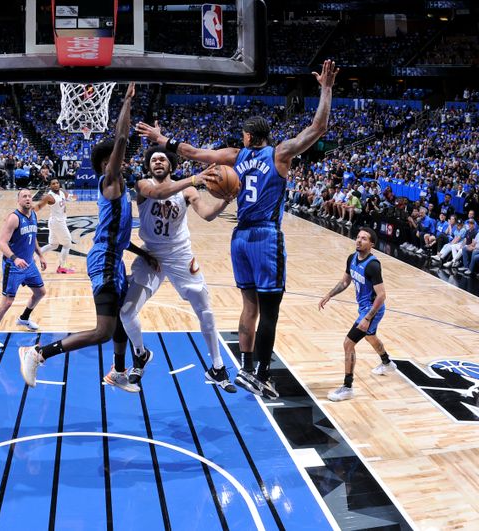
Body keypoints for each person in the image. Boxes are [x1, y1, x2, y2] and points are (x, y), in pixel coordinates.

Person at [136, 59, 340, 399]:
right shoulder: (281, 154)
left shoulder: (234, 155)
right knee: (270, 310)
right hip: (265, 237)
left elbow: (193, 152)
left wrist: (163, 138)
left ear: (248, 135)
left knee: (249, 306)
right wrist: (327, 88)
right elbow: (317, 129)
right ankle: (261, 373)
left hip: (239, 238)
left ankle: (245, 367)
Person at [17, 83, 181, 392]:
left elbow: (117, 236)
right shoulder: (110, 181)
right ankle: (38, 353)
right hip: (104, 261)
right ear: (106, 164)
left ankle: (118, 371)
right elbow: (120, 137)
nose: (123, 161)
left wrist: (142, 253)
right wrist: (127, 102)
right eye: (116, 159)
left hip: (114, 259)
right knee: (104, 331)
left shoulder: (119, 188)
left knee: (119, 318)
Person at [119, 146, 236, 392]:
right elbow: (159, 193)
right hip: (151, 254)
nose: (158, 162)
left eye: (163, 159)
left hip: (180, 255)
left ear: (170, 165)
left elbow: (206, 215)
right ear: (149, 166)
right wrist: (192, 178)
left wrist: (225, 200)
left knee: (205, 310)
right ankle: (140, 354)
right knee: (127, 313)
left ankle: (217, 367)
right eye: (154, 160)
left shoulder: (188, 190)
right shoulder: (142, 186)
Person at [319, 227, 395, 402]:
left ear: (372, 244)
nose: (359, 240)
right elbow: (345, 281)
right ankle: (387, 363)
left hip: (372, 310)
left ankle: (347, 387)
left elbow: (382, 295)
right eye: (358, 237)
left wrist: (368, 318)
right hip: (364, 309)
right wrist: (329, 295)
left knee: (348, 344)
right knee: (370, 337)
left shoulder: (373, 266)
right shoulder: (351, 258)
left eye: (364, 238)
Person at [0, 189, 48, 348]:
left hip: (29, 264)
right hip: (13, 266)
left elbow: (32, 238)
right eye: (24, 196)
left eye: (29, 196)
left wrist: (41, 255)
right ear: (18, 200)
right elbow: (1, 244)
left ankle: (24, 318)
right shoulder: (13, 218)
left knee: (40, 292)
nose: (28, 198)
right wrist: (15, 258)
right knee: (7, 302)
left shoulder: (33, 214)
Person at [35, 178, 77, 274]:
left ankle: (33, 259)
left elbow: (70, 197)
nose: (56, 185)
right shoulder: (49, 197)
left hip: (56, 222)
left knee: (53, 245)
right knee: (67, 244)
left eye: (57, 183)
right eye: (53, 183)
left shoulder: (61, 191)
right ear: (50, 186)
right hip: (58, 222)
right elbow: (38, 206)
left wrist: (74, 197)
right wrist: (28, 212)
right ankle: (62, 267)